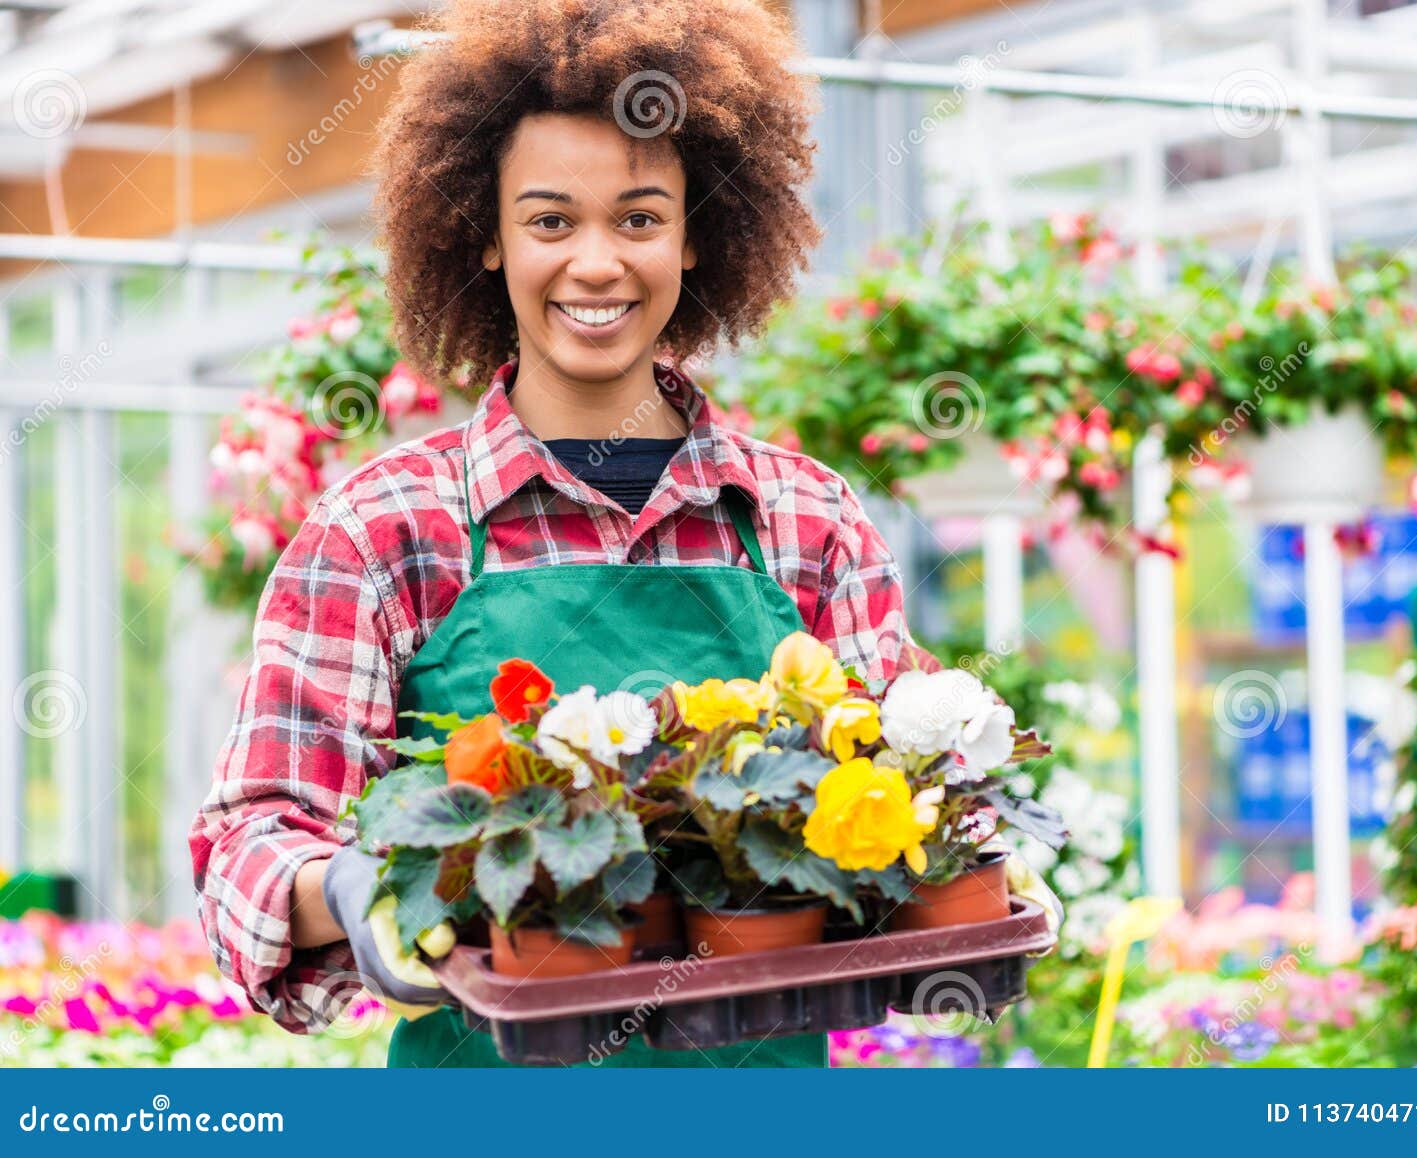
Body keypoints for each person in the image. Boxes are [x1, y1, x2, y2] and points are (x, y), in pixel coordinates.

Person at [190, 0, 939, 1069]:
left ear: (696, 236)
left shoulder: (806, 524)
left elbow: (895, 829)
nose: (597, 263)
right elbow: (249, 847)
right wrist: (348, 886)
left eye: (639, 218)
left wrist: (958, 827)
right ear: (484, 237)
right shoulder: (383, 531)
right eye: (550, 221)